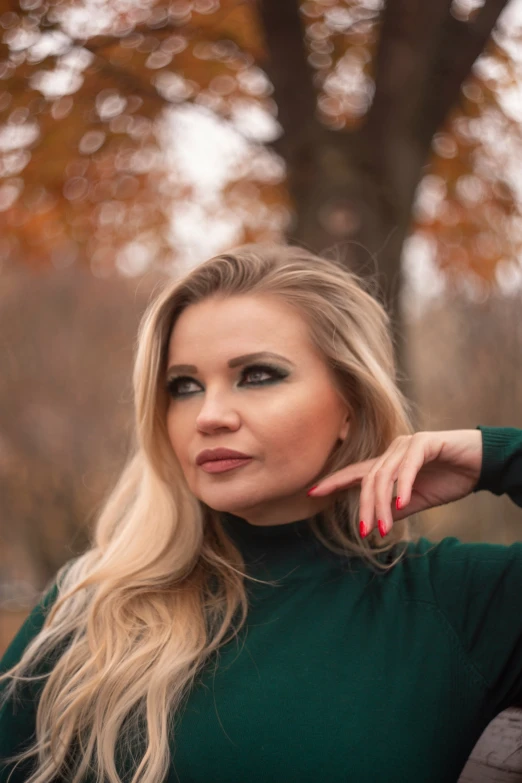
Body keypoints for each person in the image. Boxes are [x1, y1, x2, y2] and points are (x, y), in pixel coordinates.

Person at [0, 242, 521, 783]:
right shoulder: (94, 604)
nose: (209, 415)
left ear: (351, 404)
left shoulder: (456, 602)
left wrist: (496, 457)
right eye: (184, 386)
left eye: (257, 375)